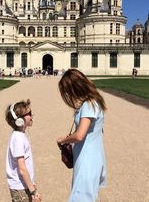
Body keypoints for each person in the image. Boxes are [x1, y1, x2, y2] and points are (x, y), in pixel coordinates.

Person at [57, 69, 107, 202]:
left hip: (88, 159)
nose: (67, 95)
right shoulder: (90, 103)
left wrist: (63, 140)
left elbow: (79, 135)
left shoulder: (89, 105)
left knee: (81, 197)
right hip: (87, 157)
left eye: (67, 91)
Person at [5, 100, 41, 202]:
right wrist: (33, 191)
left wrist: (31, 182)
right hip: (20, 187)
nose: (32, 115)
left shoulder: (19, 135)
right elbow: (22, 168)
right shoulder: (18, 139)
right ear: (19, 120)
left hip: (24, 185)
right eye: (29, 114)